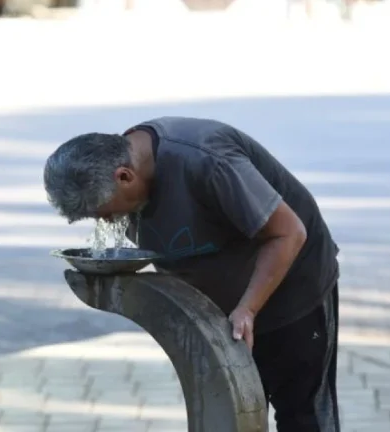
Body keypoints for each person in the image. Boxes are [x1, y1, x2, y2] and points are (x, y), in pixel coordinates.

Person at [43, 116, 341, 432]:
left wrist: (247, 309)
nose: (105, 222)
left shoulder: (206, 159)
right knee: (234, 414)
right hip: (222, 308)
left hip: (292, 289)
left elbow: (288, 233)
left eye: (105, 212)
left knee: (302, 415)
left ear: (125, 176)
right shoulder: (122, 174)